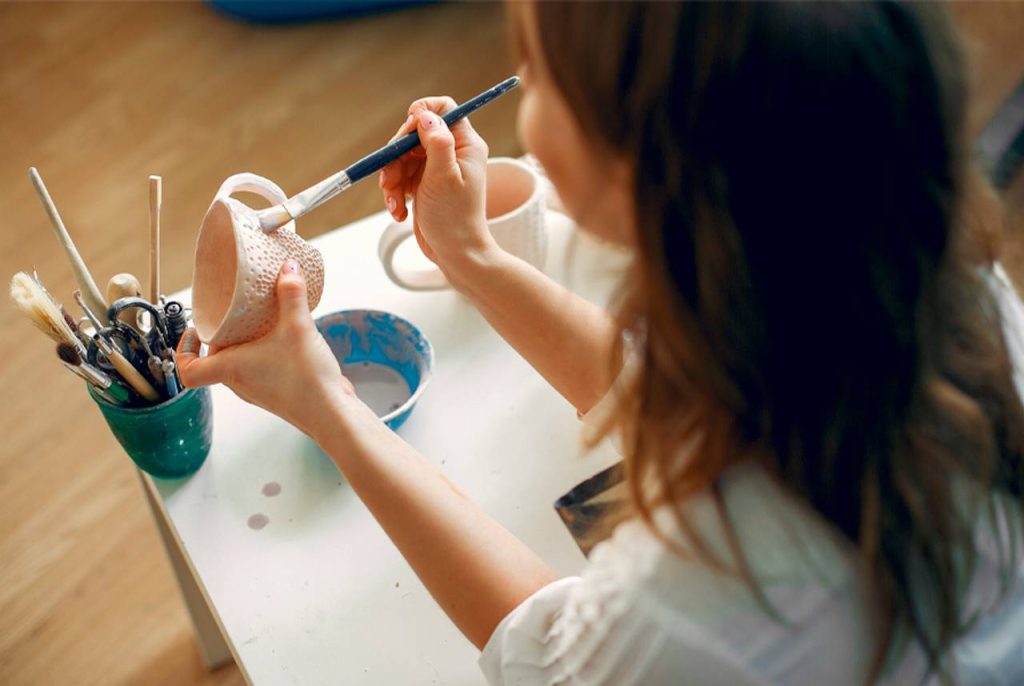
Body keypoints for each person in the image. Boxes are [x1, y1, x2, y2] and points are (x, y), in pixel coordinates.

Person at [177, 2, 1024, 684]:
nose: (514, 99)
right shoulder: (935, 288)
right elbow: (672, 397)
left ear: (639, 169)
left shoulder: (700, 599)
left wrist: (328, 409)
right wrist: (469, 254)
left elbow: (552, 657)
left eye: (533, 77)